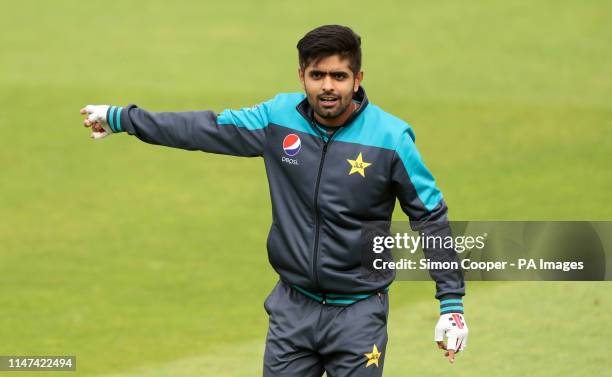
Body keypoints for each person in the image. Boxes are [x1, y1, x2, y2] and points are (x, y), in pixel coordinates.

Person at [80, 24, 468, 377]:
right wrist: (122, 118)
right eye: (317, 75)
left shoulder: (391, 138)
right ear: (302, 76)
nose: (328, 86)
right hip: (291, 310)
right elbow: (203, 129)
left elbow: (429, 216)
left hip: (358, 314)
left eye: (339, 76)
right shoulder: (277, 119)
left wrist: (451, 304)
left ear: (358, 79)